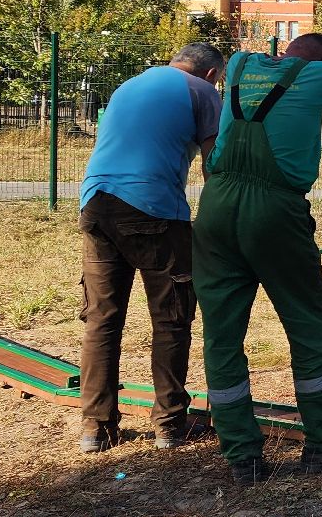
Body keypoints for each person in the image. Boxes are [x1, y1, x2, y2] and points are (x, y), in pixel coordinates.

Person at [193, 33, 322, 484]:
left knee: (221, 333)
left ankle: (242, 457)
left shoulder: (237, 65)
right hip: (274, 209)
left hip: (215, 205)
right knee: (307, 322)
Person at [76, 42, 226, 453]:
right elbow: (214, 165)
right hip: (155, 210)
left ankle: (96, 427)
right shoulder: (203, 91)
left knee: (102, 319)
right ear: (212, 73)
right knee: (172, 317)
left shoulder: (129, 85)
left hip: (95, 202)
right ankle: (171, 422)